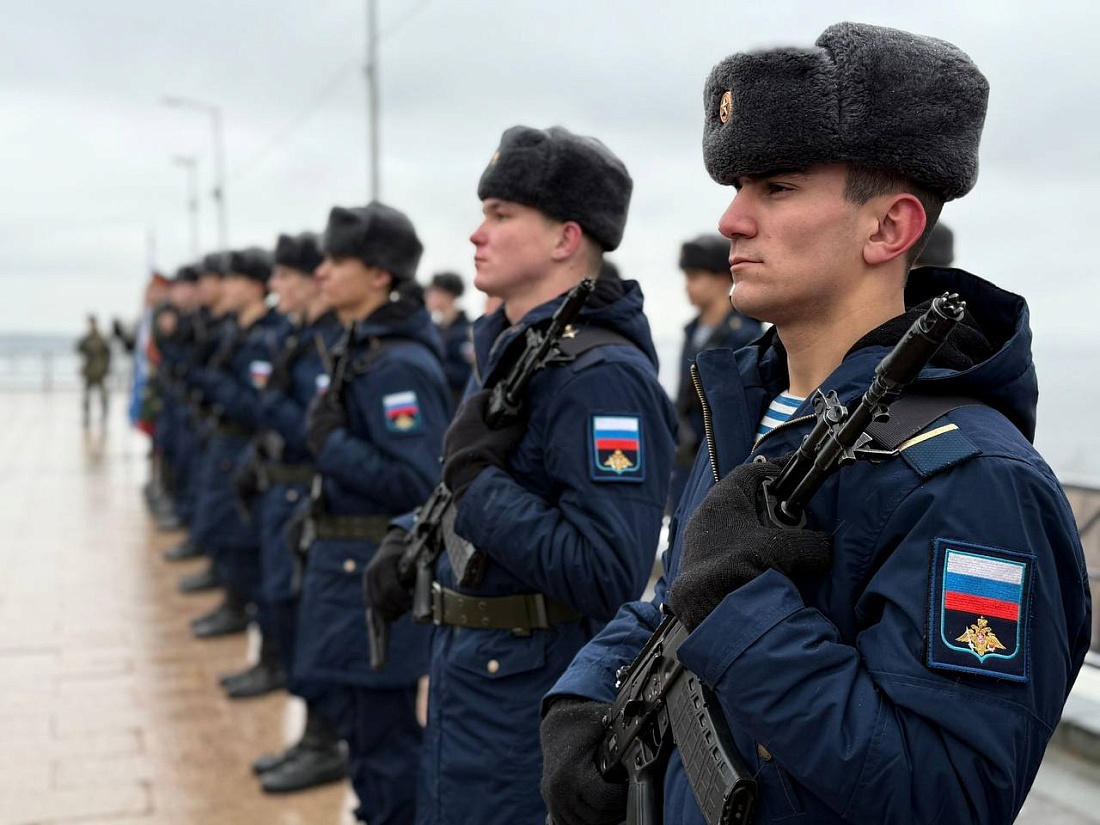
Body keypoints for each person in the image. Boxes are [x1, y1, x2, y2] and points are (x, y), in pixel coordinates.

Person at [540, 22, 1091, 825]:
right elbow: (675, 590)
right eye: (735, 190)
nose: (732, 219)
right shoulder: (757, 411)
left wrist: (743, 613)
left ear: (888, 227)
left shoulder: (978, 484)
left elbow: (949, 796)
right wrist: (584, 693)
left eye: (777, 188)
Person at [365, 125, 677, 825]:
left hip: (529, 692)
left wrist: (475, 488)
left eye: (502, 215)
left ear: (566, 239)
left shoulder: (603, 379)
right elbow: (488, 487)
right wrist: (410, 532)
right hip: (474, 675)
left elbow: (608, 568)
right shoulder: (518, 354)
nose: (478, 234)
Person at [294, 203, 451, 823]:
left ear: (380, 275)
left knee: (384, 741)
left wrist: (330, 445)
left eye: (338, 261)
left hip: (374, 573)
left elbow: (418, 480)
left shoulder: (398, 365)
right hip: (346, 570)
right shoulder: (364, 347)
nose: (323, 273)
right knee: (363, 731)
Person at [237, 232, 348, 792]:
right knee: (286, 611)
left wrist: (274, 401)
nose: (276, 289)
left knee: (309, 623)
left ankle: (324, 739)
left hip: (310, 497)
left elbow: (312, 432)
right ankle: (313, 733)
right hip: (287, 497)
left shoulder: (332, 344)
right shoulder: (303, 340)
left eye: (286, 277)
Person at [186, 248, 289, 639]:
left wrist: (214, 382)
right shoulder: (234, 331)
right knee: (221, 524)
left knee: (241, 535)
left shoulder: (265, 338)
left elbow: (253, 407)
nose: (221, 287)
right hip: (224, 442)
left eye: (231, 280)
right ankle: (231, 599)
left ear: (252, 288)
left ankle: (239, 608)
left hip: (244, 447)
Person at [667, 233, 762, 512]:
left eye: (695, 277)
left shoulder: (744, 335)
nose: (688, 286)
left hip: (720, 458)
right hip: (686, 455)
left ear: (722, 279)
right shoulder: (692, 330)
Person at [424, 271, 474, 404]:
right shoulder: (435, 330)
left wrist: (433, 368)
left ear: (448, 295)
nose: (428, 297)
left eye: (433, 292)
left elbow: (467, 373)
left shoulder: (467, 332)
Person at [76, 315, 111, 426]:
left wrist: (106, 369)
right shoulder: (87, 338)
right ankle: (86, 417)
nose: (92, 326)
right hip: (89, 372)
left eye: (93, 324)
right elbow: (79, 349)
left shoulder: (102, 338)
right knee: (86, 397)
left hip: (100, 372)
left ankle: (104, 417)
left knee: (103, 396)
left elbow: (108, 354)